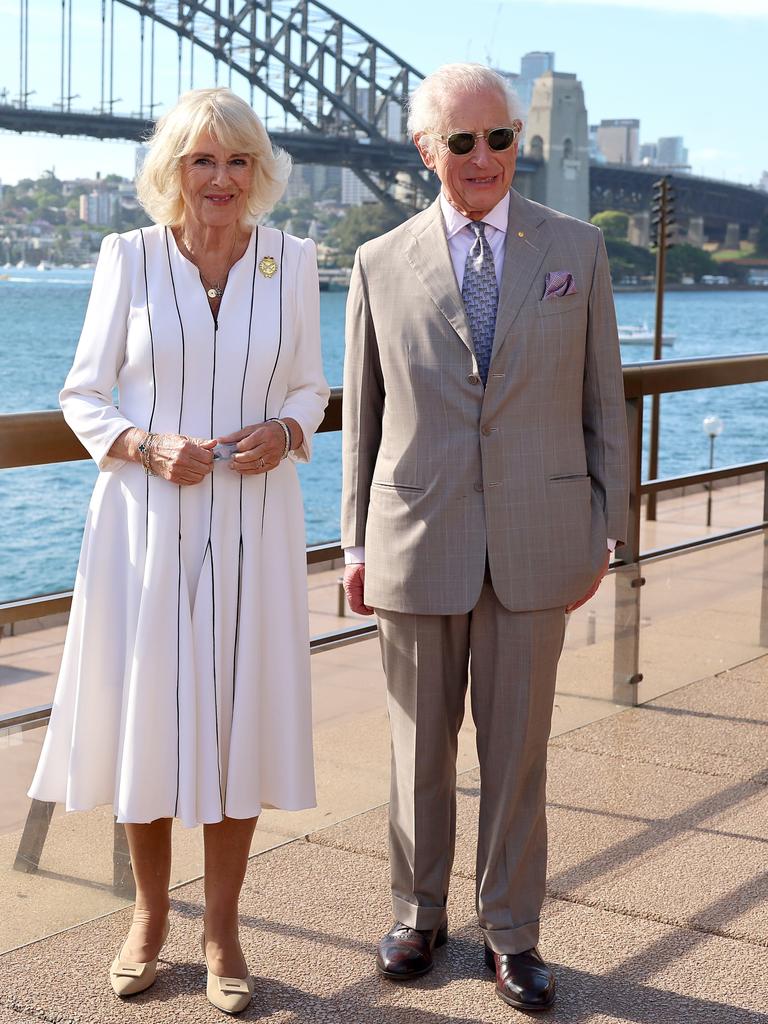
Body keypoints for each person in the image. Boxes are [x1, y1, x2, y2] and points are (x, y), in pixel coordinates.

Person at [28, 87, 329, 1014]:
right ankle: (148, 918)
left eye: (238, 161)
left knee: (238, 719)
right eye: (203, 160)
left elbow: (315, 387)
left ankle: (224, 929)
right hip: (146, 526)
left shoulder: (294, 259)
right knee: (148, 721)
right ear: (174, 172)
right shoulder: (128, 258)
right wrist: (145, 444)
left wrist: (288, 427)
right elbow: (83, 395)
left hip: (254, 522)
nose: (222, 178)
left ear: (259, 172)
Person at [341, 63, 628, 1012]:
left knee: (518, 752)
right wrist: (353, 545)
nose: (482, 158)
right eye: (460, 141)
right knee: (416, 747)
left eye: (498, 138)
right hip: (416, 535)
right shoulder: (380, 261)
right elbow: (367, 419)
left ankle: (513, 932)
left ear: (519, 141)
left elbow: (604, 406)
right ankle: (418, 915)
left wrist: (605, 530)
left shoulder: (576, 250)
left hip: (541, 537)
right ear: (427, 150)